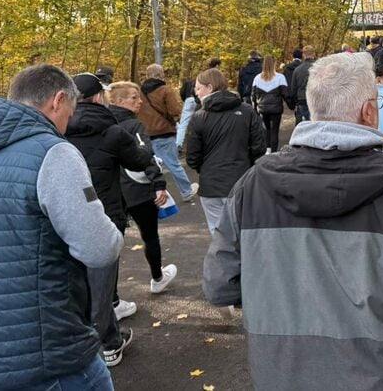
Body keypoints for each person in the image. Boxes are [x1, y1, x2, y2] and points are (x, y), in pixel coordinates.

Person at [203, 52, 383, 390]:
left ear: (313, 108)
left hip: (283, 375)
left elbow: (219, 285)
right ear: (369, 111)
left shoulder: (252, 186)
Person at [0, 64, 123, 389]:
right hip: (44, 357)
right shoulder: (53, 152)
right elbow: (100, 247)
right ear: (58, 100)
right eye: (69, 113)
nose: (67, 124)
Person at [66, 72, 157, 365]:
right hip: (105, 211)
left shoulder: (56, 129)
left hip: (65, 212)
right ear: (97, 97)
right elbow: (140, 161)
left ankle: (80, 337)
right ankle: (109, 343)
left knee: (74, 278)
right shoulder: (112, 131)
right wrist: (140, 146)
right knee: (102, 278)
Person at [107, 82, 178, 295]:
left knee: (112, 245)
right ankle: (157, 277)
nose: (139, 102)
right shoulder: (133, 126)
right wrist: (159, 184)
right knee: (149, 236)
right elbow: (145, 157)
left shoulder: (103, 124)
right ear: (119, 101)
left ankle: (111, 296)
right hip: (137, 189)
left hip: (112, 192)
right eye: (134, 98)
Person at [185, 68, 266, 233]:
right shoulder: (246, 111)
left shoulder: (199, 116)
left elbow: (192, 157)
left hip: (211, 184)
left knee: (219, 234)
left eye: (198, 88)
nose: (196, 93)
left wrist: (207, 168)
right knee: (244, 231)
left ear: (209, 87)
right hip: (241, 181)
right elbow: (259, 147)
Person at [138, 64, 199, 202]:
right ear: (161, 75)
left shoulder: (139, 92)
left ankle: (153, 196)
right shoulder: (165, 90)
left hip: (145, 134)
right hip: (163, 132)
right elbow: (175, 111)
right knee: (173, 164)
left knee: (150, 166)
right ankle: (186, 191)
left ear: (147, 75)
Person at [253, 54, 288, 153]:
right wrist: (292, 105)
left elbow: (253, 96)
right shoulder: (280, 77)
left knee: (266, 129)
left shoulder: (257, 78)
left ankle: (267, 150)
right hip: (276, 108)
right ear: (274, 63)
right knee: (274, 130)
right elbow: (285, 94)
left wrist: (255, 109)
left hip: (263, 108)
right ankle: (274, 152)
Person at [290, 45, 316, 124]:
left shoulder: (297, 70)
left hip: (302, 98)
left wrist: (294, 101)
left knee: (304, 122)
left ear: (303, 55)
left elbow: (293, 88)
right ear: (313, 54)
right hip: (316, 98)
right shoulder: (319, 67)